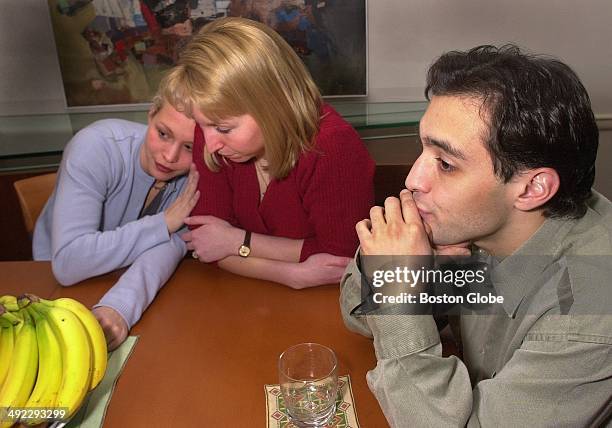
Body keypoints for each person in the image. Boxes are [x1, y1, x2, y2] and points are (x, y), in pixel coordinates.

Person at [340, 44, 612, 426]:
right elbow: (358, 318)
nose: (413, 179)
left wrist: (398, 286)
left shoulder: (592, 308)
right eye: (424, 148)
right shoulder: (475, 226)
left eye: (446, 164)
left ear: (532, 189)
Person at [173, 17, 375, 288]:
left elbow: (341, 257)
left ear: (271, 105)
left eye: (224, 128)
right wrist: (291, 274)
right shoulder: (212, 127)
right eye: (202, 125)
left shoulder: (333, 146)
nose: (210, 145)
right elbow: (206, 243)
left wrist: (237, 241)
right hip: (243, 300)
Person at [33, 84, 200, 350]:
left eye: (190, 147)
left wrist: (119, 307)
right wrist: (164, 223)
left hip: (132, 283)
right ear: (151, 114)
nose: (169, 156)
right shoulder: (95, 145)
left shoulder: (197, 175)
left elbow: (170, 248)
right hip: (53, 287)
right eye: (163, 133)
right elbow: (67, 262)